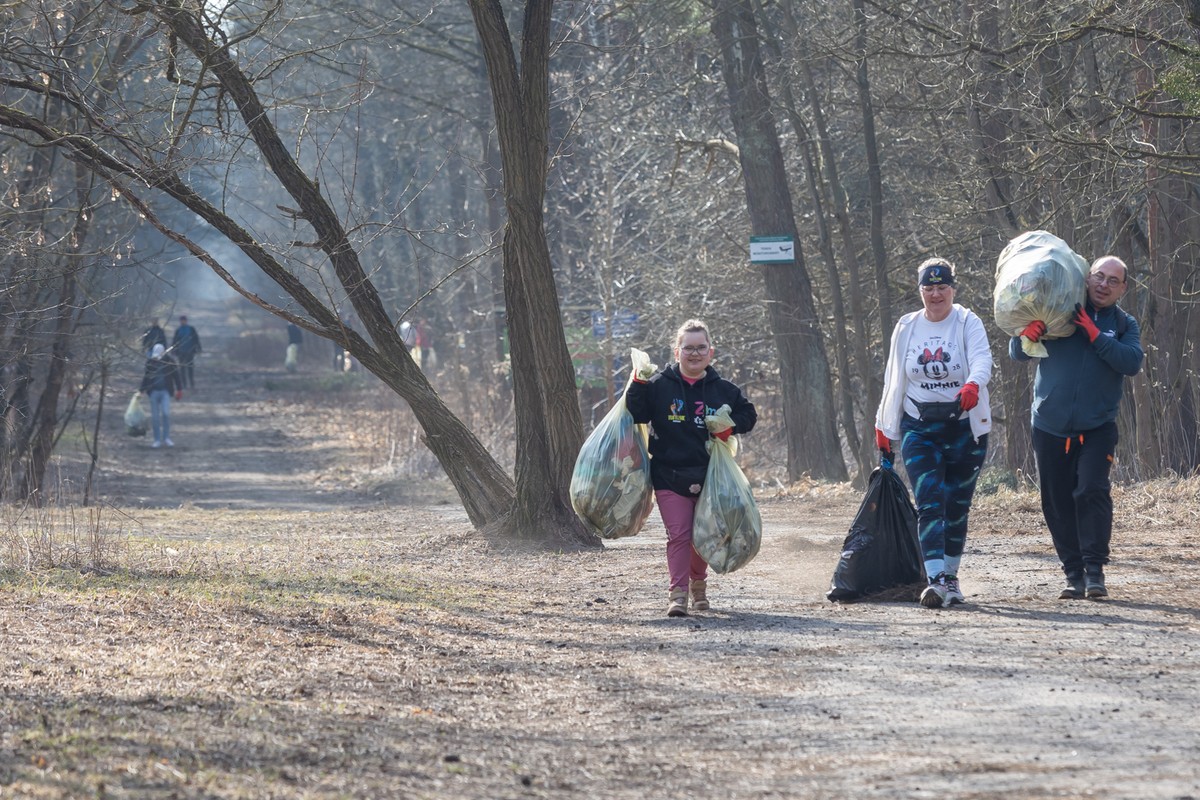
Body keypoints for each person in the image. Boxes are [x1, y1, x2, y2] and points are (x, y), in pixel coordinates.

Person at [1010, 255, 1144, 600]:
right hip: (1049, 425)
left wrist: (1095, 334)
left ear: (1123, 289)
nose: (1104, 284)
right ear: (1086, 279)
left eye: (1113, 281)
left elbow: (1131, 362)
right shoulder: (1059, 311)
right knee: (1056, 501)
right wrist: (1029, 335)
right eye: (1099, 276)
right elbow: (1018, 352)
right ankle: (1074, 574)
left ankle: (1095, 572)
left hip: (1098, 427)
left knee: (1091, 490)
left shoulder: (1125, 324)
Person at [875, 258, 993, 609]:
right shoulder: (907, 326)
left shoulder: (967, 321)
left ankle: (952, 579)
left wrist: (973, 383)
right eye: (929, 287)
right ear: (921, 290)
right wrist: (885, 426)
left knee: (956, 505)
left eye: (943, 287)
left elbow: (983, 359)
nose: (936, 294)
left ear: (953, 289)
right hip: (919, 426)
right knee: (929, 500)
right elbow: (893, 378)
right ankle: (936, 580)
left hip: (964, 427)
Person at [625, 319, 757, 617]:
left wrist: (729, 426)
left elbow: (749, 415)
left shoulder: (724, 390)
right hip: (669, 475)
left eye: (700, 348)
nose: (694, 354)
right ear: (677, 352)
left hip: (712, 477)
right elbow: (638, 413)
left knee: (704, 536)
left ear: (711, 352)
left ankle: (699, 587)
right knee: (680, 535)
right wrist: (638, 383)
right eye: (688, 348)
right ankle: (678, 595)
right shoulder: (659, 385)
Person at [139, 343, 182, 448]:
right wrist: (141, 390)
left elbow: (176, 376)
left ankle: (166, 438)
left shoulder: (170, 362)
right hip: (153, 392)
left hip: (165, 392)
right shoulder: (150, 362)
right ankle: (157, 439)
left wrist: (179, 389)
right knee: (155, 417)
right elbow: (146, 377)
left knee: (166, 414)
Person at [171, 315, 201, 389]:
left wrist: (198, 348)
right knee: (182, 369)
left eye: (184, 320)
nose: (183, 321)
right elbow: (175, 341)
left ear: (186, 321)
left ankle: (191, 384)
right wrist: (173, 350)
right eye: (181, 320)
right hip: (181, 352)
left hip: (190, 351)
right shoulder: (178, 330)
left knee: (190, 368)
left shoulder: (191, 329)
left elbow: (196, 339)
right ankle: (184, 385)